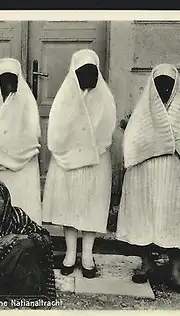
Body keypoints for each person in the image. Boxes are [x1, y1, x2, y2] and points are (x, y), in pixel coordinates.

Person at [116, 63, 180, 295]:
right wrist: (161, 140)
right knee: (144, 217)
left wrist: (166, 141)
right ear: (152, 86)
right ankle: (147, 263)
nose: (164, 90)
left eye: (169, 85)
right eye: (159, 84)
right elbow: (133, 142)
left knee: (174, 219)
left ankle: (175, 271)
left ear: (175, 87)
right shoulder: (143, 111)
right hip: (144, 174)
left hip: (173, 175)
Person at [42, 49, 117, 278]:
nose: (89, 77)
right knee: (70, 206)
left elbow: (106, 129)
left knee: (91, 206)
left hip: (95, 161)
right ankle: (70, 253)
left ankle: (87, 255)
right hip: (68, 162)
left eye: (92, 72)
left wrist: (88, 144)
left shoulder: (104, 98)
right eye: (83, 72)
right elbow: (57, 131)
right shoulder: (65, 98)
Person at [0, 58, 42, 224]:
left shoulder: (27, 102)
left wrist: (10, 155)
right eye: (4, 79)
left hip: (22, 165)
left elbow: (32, 135)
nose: (8, 84)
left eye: (12, 79)